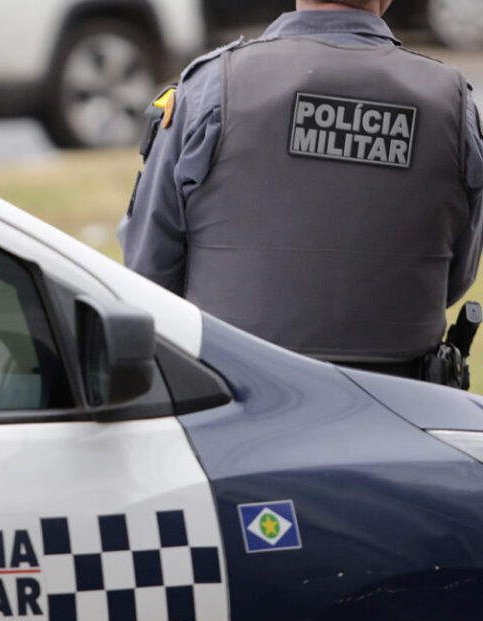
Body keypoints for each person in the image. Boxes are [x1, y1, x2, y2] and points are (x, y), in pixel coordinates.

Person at [118, 0, 483, 380]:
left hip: (233, 398)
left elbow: (148, 270)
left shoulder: (211, 87)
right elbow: (454, 278)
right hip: (401, 403)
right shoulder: (452, 105)